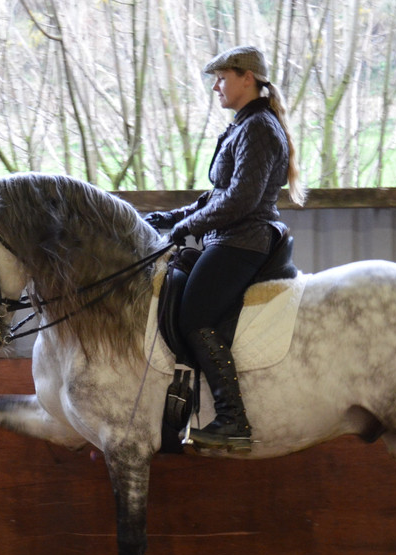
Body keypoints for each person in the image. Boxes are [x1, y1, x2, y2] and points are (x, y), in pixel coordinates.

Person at [146, 45, 305, 452]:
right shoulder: (244, 125)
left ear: (246, 78)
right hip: (230, 237)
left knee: (194, 314)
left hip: (245, 240)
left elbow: (239, 202)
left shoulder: (258, 128)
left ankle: (233, 418)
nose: (215, 86)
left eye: (221, 77)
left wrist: (185, 228)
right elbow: (216, 195)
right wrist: (169, 219)